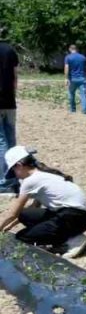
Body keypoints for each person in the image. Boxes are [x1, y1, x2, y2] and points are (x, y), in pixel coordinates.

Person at [0, 147, 86, 257]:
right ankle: (68, 236)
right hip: (78, 216)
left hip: (74, 218)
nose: (15, 175)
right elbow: (31, 209)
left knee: (22, 237)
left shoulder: (30, 181)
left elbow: (12, 214)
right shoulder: (42, 174)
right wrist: (10, 225)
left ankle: (71, 240)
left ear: (19, 165)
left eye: (13, 171)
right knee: (23, 214)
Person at [0, 27, 18, 195]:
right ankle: (14, 177)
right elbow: (14, 77)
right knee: (11, 139)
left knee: (1, 141)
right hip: (9, 101)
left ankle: (5, 182)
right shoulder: (9, 50)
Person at [65, 44, 86, 114]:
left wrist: (66, 78)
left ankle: (73, 110)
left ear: (70, 49)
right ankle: (84, 110)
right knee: (83, 95)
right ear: (77, 49)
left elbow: (66, 68)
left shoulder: (68, 57)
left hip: (72, 79)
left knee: (71, 94)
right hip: (82, 79)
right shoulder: (83, 57)